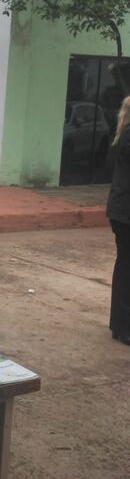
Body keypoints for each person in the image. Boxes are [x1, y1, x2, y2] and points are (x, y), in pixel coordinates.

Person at [107, 94, 130, 346]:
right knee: (126, 268)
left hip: (122, 211)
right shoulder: (129, 136)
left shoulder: (124, 135)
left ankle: (119, 324)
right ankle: (123, 326)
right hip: (125, 213)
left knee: (124, 266)